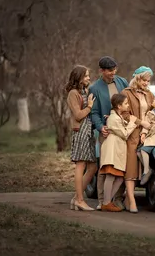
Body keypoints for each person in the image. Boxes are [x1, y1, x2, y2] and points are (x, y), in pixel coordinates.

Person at [89, 56, 129, 210]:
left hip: (121, 130)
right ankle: (102, 201)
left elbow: (127, 103)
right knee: (105, 167)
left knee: (120, 167)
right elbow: (94, 112)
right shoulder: (95, 88)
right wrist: (100, 127)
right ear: (101, 71)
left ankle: (117, 199)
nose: (113, 73)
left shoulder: (122, 82)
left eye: (114, 70)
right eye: (110, 71)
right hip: (106, 132)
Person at [121, 66, 155, 213]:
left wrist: (146, 128)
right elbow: (124, 113)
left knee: (141, 169)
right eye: (144, 80)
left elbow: (152, 113)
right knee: (131, 168)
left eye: (148, 81)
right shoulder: (126, 93)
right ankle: (132, 200)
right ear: (137, 78)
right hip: (131, 135)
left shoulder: (149, 94)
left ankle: (127, 199)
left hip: (146, 135)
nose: (147, 83)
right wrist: (141, 123)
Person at [99, 94, 139, 212]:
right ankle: (106, 203)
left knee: (119, 177)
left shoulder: (117, 117)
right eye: (125, 104)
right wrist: (132, 122)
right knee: (111, 175)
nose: (128, 105)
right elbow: (125, 134)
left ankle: (107, 201)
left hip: (117, 151)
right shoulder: (114, 118)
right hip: (112, 150)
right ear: (119, 106)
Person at [66, 65, 97, 211]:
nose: (88, 78)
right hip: (80, 132)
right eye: (85, 76)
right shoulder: (73, 93)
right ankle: (79, 199)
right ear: (78, 77)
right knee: (81, 165)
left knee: (92, 167)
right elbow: (78, 115)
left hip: (89, 132)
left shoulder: (84, 91)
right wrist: (90, 107)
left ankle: (76, 197)